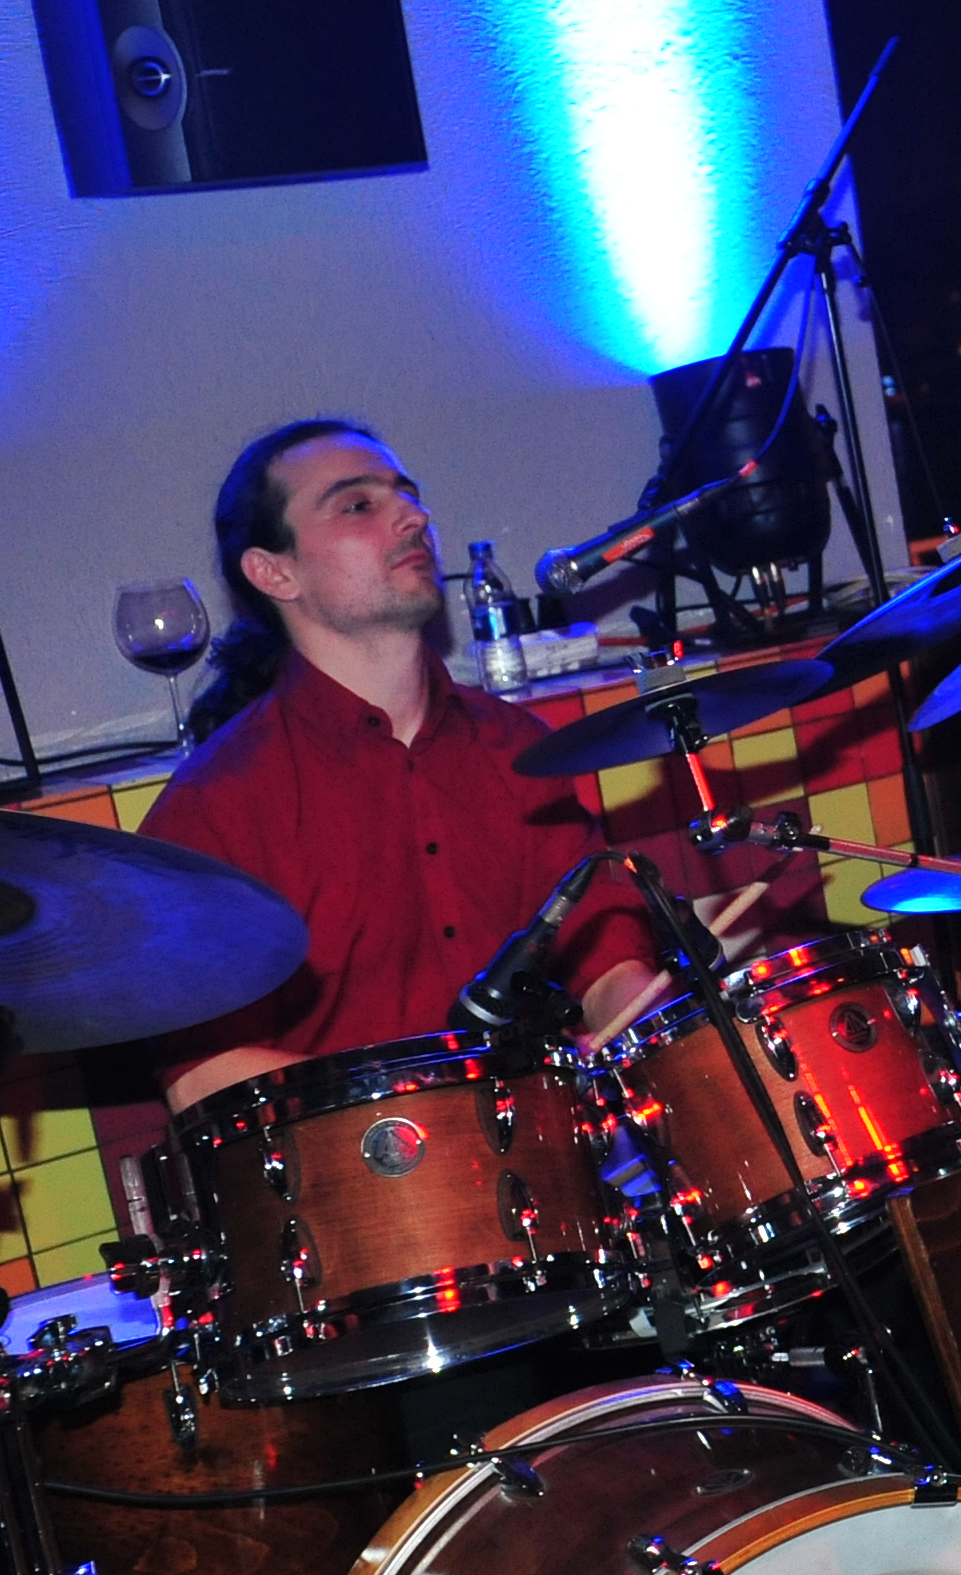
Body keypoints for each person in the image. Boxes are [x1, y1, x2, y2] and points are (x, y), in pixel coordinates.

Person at [146, 420, 668, 1112]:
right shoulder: (215, 807)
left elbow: (601, 950)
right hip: (361, 1167)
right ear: (275, 572)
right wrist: (413, 1112)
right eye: (358, 504)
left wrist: (638, 1012)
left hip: (553, 1145)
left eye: (409, 495)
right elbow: (199, 1073)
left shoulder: (515, 745)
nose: (414, 517)